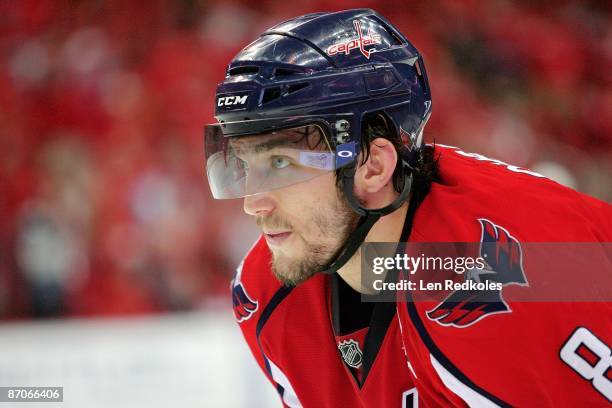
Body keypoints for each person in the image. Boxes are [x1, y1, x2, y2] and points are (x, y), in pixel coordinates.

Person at [204, 8, 612, 407]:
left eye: (280, 163)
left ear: (374, 166)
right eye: (245, 165)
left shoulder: (505, 282)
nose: (252, 204)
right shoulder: (267, 292)